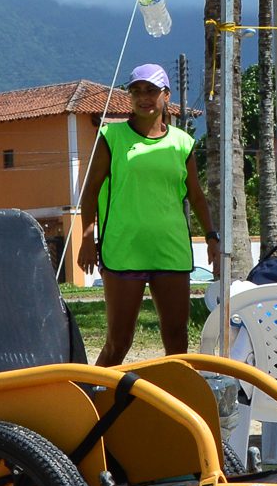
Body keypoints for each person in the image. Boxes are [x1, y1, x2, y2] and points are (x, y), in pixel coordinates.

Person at [76, 64, 216, 366]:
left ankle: (174, 407)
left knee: (177, 338)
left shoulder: (183, 142)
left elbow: (196, 195)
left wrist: (212, 237)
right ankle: (93, 404)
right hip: (124, 250)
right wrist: (88, 239)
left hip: (170, 251)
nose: (143, 97)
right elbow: (89, 193)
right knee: (119, 341)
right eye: (136, 91)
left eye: (151, 90)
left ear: (166, 95)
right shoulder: (111, 137)